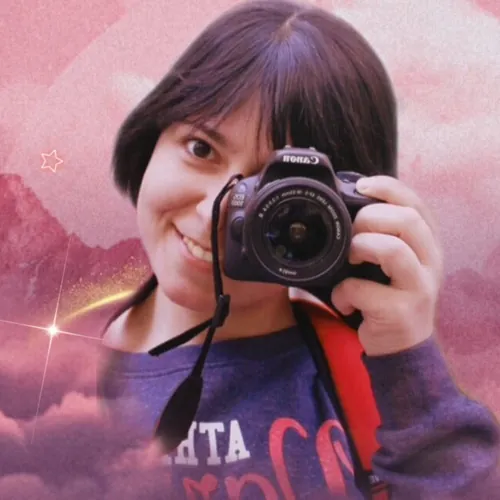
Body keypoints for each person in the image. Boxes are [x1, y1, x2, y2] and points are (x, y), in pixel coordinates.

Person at [97, 0, 500, 498]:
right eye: (202, 148)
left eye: (276, 193)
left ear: (342, 216)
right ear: (150, 138)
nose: (213, 212)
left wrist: (409, 361)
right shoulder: (47, 366)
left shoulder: (372, 376)